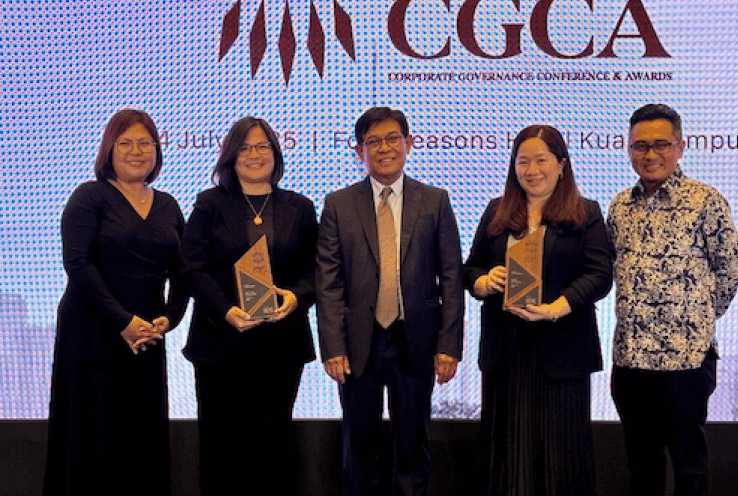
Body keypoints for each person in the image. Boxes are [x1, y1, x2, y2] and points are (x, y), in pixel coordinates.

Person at [316, 107, 464, 496]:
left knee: (412, 443)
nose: (384, 148)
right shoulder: (338, 204)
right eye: (373, 142)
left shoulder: (435, 201)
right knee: (359, 443)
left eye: (392, 139)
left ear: (409, 143)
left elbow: (451, 277)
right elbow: (328, 283)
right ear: (358, 151)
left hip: (415, 339)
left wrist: (449, 344)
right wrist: (332, 346)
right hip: (357, 342)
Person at [464, 124, 613, 496]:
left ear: (562, 164)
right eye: (523, 161)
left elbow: (599, 275)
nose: (532, 170)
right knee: (507, 455)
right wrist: (484, 283)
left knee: (562, 455)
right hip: (506, 352)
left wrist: (558, 308)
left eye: (541, 160)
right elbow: (471, 269)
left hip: (561, 351)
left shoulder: (586, 213)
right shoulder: (496, 212)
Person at [43, 109, 186, 496]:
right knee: (93, 434)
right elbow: (77, 263)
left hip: (145, 337)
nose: (136, 151)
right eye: (126, 143)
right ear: (109, 149)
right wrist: (123, 321)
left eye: (146, 143)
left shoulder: (169, 205)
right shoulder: (90, 196)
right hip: (93, 331)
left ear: (157, 151)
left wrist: (167, 320)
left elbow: (183, 274)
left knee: (141, 436)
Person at [607, 104, 738, 496]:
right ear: (629, 148)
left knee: (689, 465)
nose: (650, 155)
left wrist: (697, 319)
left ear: (680, 146)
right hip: (631, 362)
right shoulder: (620, 206)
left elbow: (731, 271)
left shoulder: (706, 201)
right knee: (642, 467)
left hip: (686, 362)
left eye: (661, 144)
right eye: (640, 146)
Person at [180, 116, 317, 495]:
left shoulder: (300, 207)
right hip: (219, 346)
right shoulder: (209, 204)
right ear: (230, 156)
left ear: (275, 154)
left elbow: (316, 268)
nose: (254, 155)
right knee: (222, 450)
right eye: (244, 147)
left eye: (263, 147)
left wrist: (297, 297)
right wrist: (225, 309)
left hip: (280, 347)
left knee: (272, 447)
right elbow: (191, 267)